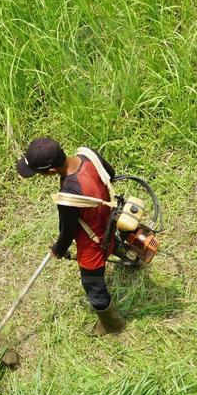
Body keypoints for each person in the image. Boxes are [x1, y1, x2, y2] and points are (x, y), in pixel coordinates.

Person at [16, 137, 126, 336]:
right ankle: (134, 257)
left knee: (92, 284)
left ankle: (112, 324)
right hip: (108, 219)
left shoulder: (69, 197)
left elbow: (68, 231)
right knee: (114, 243)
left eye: (38, 173)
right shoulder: (88, 154)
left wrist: (58, 248)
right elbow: (110, 174)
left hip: (92, 240)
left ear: (50, 171)